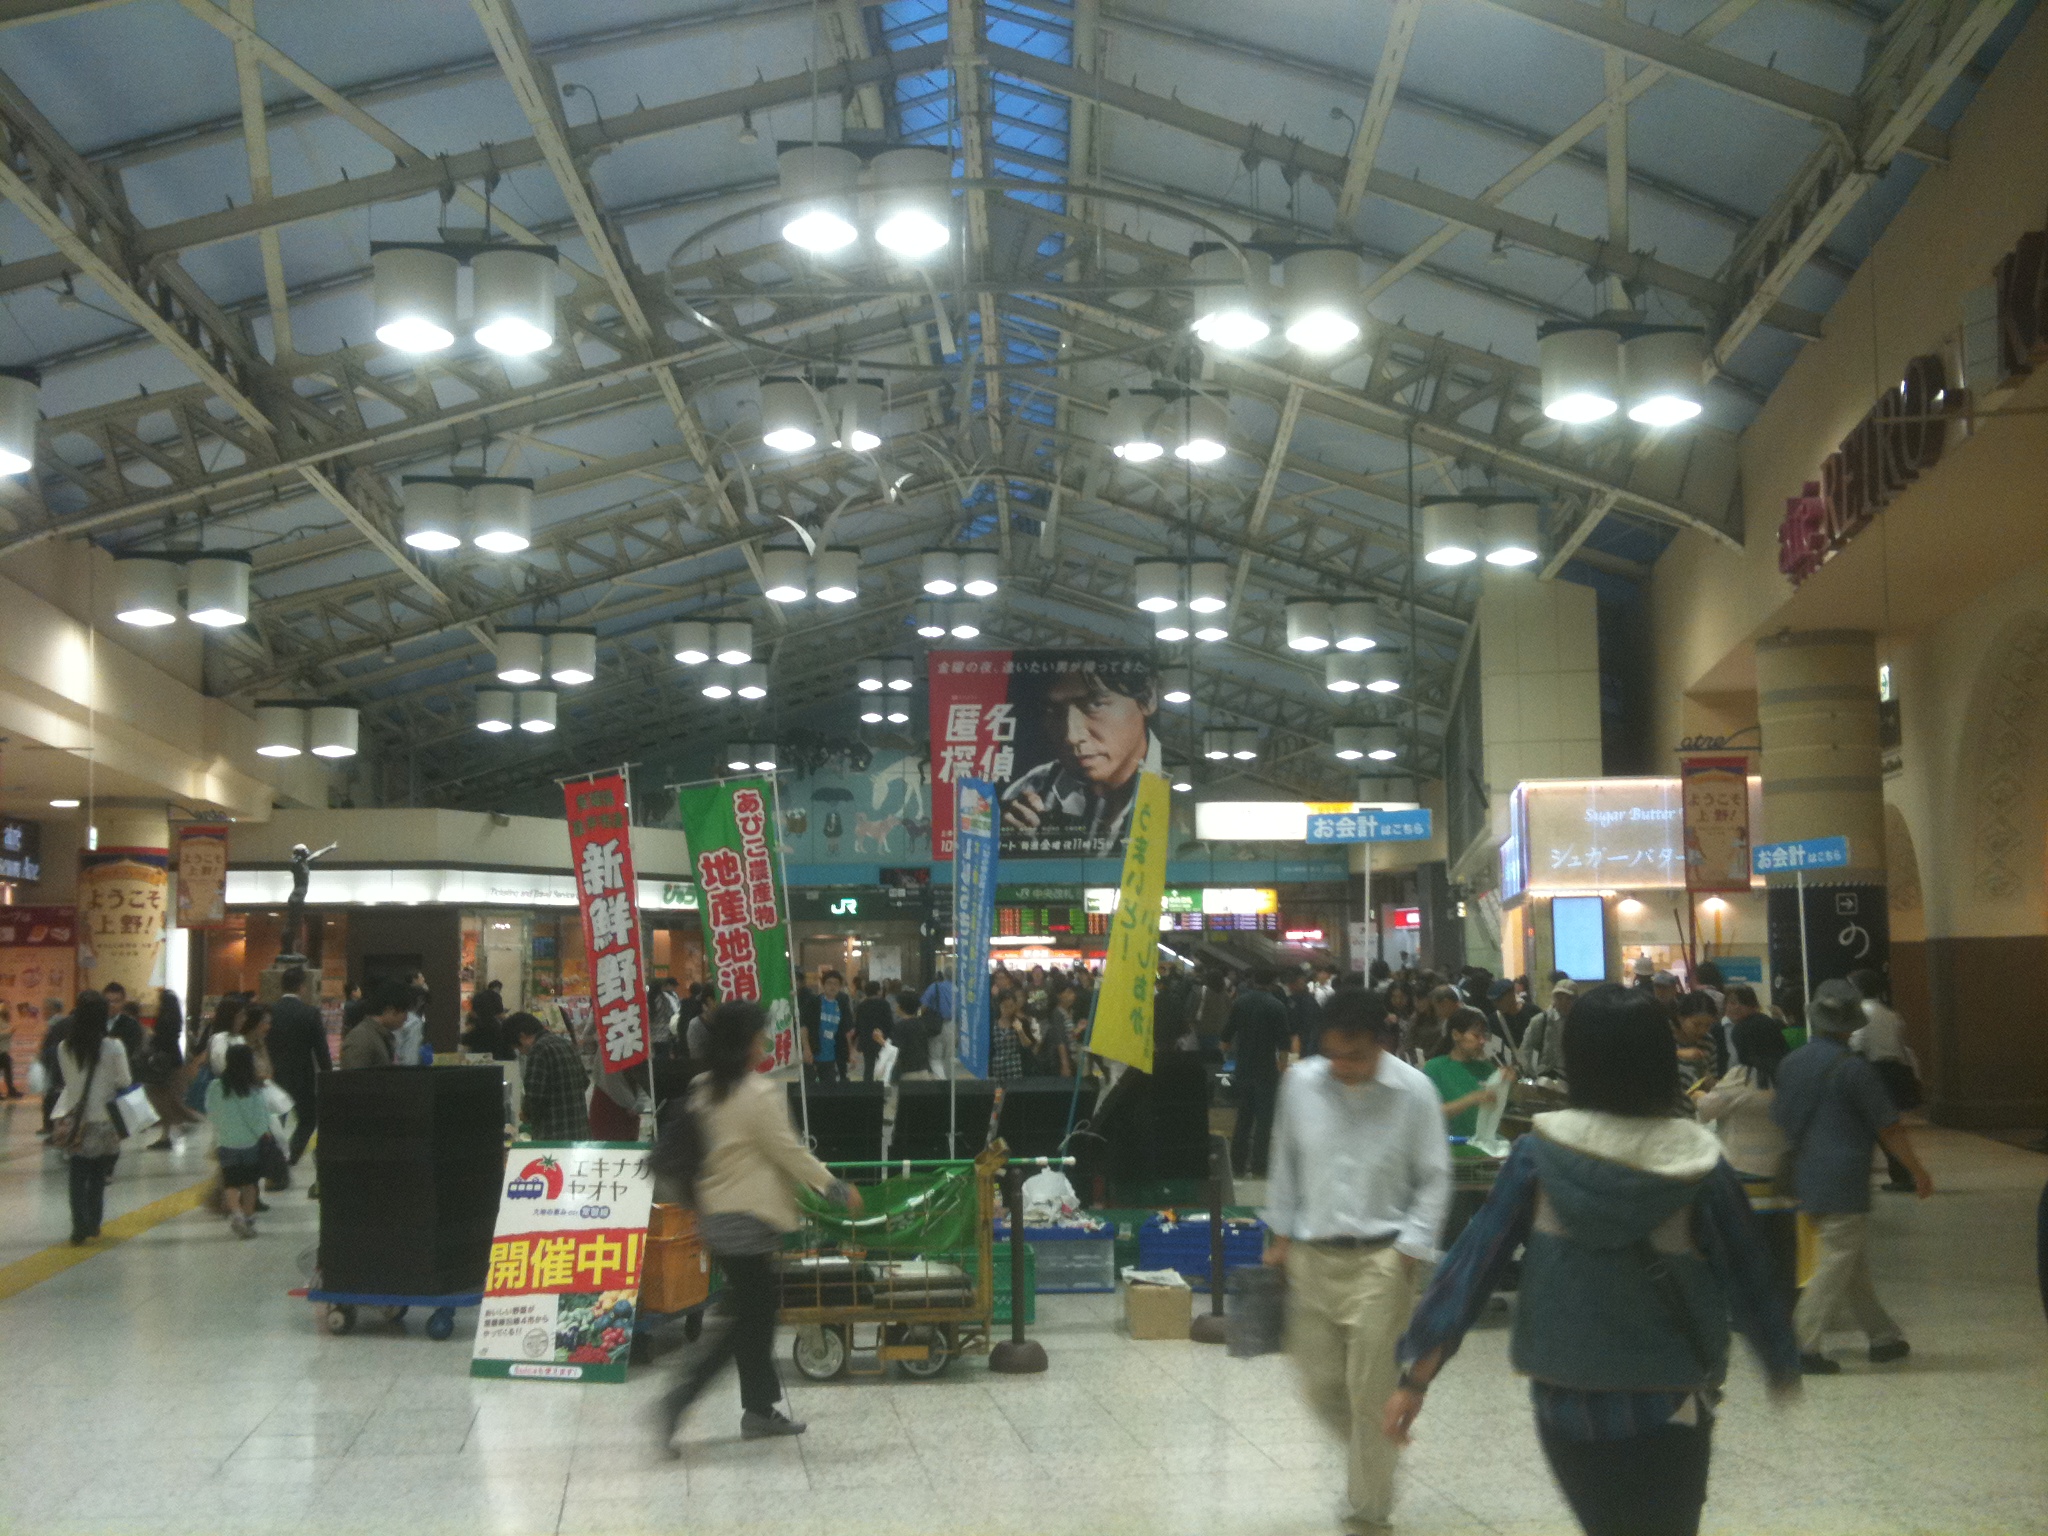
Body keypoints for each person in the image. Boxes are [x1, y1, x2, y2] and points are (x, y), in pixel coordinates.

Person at [1386, 983, 1802, 1536]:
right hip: (1671, 1392)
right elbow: (1749, 1273)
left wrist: (1416, 1379)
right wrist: (1779, 1359)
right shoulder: (1699, 1161)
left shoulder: (1539, 1154)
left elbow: (1473, 1265)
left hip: (1566, 1394)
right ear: (1660, 1058)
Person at [1263, 989, 1452, 1536]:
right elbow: (1285, 1160)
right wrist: (1279, 1234)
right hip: (1312, 1256)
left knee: (1370, 1389)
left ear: (1381, 1042)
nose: (1344, 1067)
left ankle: (1369, 1509)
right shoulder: (1299, 1084)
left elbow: (1435, 1177)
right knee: (1321, 1383)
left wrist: (1411, 1249)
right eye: (1334, 1055)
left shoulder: (1414, 1092)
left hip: (1382, 1260)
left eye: (1356, 1056)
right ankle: (1377, 1451)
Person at [655, 1001, 862, 1445]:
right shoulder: (756, 1094)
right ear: (744, 1043)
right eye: (759, 1035)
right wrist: (835, 1188)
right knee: (746, 1321)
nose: (765, 1042)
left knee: (754, 1316)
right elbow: (789, 1152)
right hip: (748, 1220)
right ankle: (683, 1399)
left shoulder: (703, 1086)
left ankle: (758, 1409)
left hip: (717, 1217)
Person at [1772, 977, 1933, 1374]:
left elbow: (1780, 1118)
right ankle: (1801, 1344)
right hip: (1843, 1178)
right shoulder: (1854, 1070)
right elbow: (1889, 1127)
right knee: (1837, 1259)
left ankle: (1883, 1337)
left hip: (1804, 1175)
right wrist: (1917, 1170)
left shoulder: (1790, 1063)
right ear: (1849, 1025)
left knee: (1850, 1259)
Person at [999, 655, 1161, 857]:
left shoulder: (1176, 789)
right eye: (1053, 711)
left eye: (1094, 704)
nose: (1071, 736)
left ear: (1148, 697)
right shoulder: (1030, 790)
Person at [51, 991, 132, 1245]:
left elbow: (68, 1081)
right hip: (106, 1120)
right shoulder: (113, 1046)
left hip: (79, 1121)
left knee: (77, 1174)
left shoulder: (64, 1047)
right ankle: (94, 1223)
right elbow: (124, 1081)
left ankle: (78, 1226)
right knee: (98, 1175)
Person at [1848, 969, 1922, 1193]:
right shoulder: (1891, 1014)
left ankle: (1891, 1175)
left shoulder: (1861, 1012)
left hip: (1871, 1070)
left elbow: (1857, 1044)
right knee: (1887, 1126)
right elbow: (1901, 1045)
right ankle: (1902, 1175)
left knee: (1867, 1126)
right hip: (1893, 1071)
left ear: (1858, 989)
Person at [1693, 1015, 1789, 1183]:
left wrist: (1699, 1096)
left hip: (1743, 1170)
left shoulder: (1741, 1076)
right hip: (1785, 1169)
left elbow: (1706, 1110)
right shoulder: (1790, 1072)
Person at [1223, 967, 1291, 1179]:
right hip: (1266, 1072)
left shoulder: (1240, 1003)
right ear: (1273, 983)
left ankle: (1237, 1165)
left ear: (1253, 980)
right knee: (1264, 1121)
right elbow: (1284, 1046)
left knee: (1243, 1119)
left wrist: (1230, 1057)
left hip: (1243, 1070)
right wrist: (1282, 1067)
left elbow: (1225, 1039)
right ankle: (1260, 1166)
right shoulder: (1276, 1006)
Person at [207, 1042, 273, 1239]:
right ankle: (248, 1217)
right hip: (249, 1143)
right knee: (249, 1184)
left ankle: (236, 1215)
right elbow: (259, 1118)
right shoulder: (254, 1089)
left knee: (231, 1183)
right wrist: (264, 1133)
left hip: (226, 1142)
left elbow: (212, 1112)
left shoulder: (216, 1086)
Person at [268, 966, 331, 1165]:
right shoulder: (310, 1013)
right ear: (302, 987)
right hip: (302, 1075)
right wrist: (328, 1075)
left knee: (276, 1118)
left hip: (274, 1073)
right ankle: (292, 1155)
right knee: (308, 1119)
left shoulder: (270, 1011)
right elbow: (321, 1049)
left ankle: (273, 1156)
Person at [1424, 1010, 1515, 1138]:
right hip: (1453, 1145)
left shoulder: (1488, 1069)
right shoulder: (1435, 1068)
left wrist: (1508, 1084)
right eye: (1476, 1036)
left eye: (1484, 1036)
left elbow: (1500, 1105)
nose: (1482, 1041)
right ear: (1456, 1035)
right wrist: (1470, 1099)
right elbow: (1429, 1113)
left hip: (1485, 1145)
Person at [511, 1012, 589, 1140]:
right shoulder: (566, 1043)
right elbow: (584, 1082)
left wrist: (525, 1114)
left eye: (518, 1048)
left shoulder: (538, 1050)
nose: (522, 1052)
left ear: (522, 1036)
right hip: (579, 1129)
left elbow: (534, 1096)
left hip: (552, 1134)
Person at [339, 984, 408, 1069]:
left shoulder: (380, 1035)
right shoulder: (361, 1038)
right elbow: (352, 1079)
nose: (406, 1018)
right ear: (390, 1010)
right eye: (404, 1012)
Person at [1521, 981, 1574, 1082]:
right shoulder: (1541, 1020)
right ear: (1554, 999)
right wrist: (1534, 1074)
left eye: (1569, 998)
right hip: (1547, 1076)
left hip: (1573, 1077)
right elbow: (1528, 1050)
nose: (1564, 1002)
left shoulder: (1580, 1021)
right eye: (1559, 998)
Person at [1672, 992, 1725, 1089]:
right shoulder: (1665, 1036)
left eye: (1708, 1025)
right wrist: (1678, 1053)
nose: (1702, 1030)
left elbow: (1713, 1074)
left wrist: (1710, 1081)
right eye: (1696, 1024)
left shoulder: (1708, 1041)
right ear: (1680, 1018)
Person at [810, 971, 846, 1083]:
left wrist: (850, 1052)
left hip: (830, 1056)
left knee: (829, 1089)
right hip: (814, 1054)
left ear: (840, 987)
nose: (832, 986)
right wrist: (806, 1049)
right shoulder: (815, 1002)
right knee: (811, 1090)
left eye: (836, 984)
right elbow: (804, 1026)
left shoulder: (841, 1005)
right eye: (829, 983)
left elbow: (845, 1030)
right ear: (823, 985)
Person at [853, 980, 893, 1083]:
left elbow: (858, 1024)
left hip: (867, 1040)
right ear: (878, 991)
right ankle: (882, 1088)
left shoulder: (862, 1005)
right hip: (881, 1039)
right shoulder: (884, 1004)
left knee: (868, 1067)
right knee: (884, 1066)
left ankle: (868, 1090)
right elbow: (889, 1023)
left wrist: (856, 1039)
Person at [990, 990, 1033, 1081]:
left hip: (1016, 1069)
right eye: (1004, 1006)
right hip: (997, 1069)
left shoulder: (1021, 1022)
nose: (1008, 1010)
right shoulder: (992, 1025)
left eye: (1011, 1006)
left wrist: (1020, 1031)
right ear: (999, 1006)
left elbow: (1028, 1045)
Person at [1037, 980, 1077, 1077]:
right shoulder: (1057, 1013)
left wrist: (1078, 1029)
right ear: (1059, 995)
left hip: (1070, 1056)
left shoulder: (1068, 1012)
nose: (1072, 995)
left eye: (1073, 992)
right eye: (1068, 992)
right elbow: (1060, 1040)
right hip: (1061, 1059)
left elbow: (1068, 1035)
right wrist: (1065, 1065)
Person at [1285, 966, 1324, 1058]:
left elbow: (1306, 1024)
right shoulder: (1295, 999)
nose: (1289, 986)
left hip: (1305, 1041)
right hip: (1305, 1041)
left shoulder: (1304, 1000)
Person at [1491, 976, 1537, 1050]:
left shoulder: (1533, 1012)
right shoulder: (1493, 1021)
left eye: (1499, 1000)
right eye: (1493, 1001)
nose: (1496, 1004)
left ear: (1511, 994)